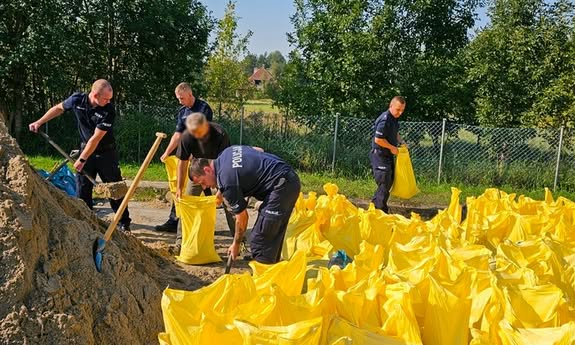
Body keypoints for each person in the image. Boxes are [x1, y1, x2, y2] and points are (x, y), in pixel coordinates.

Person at [29, 79, 131, 231]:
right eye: (106, 98)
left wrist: (82, 159)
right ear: (95, 95)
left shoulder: (108, 110)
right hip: (85, 150)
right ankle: (86, 220)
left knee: (113, 187)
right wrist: (39, 122)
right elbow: (58, 108)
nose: (109, 101)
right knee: (82, 188)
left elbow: (96, 138)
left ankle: (123, 222)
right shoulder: (77, 100)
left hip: (106, 154)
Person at [190, 146, 301, 264]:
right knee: (271, 233)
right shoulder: (226, 153)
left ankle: (262, 276)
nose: (204, 187)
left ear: (207, 170)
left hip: (282, 187)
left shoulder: (228, 182)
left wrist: (236, 244)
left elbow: (242, 217)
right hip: (286, 177)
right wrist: (221, 191)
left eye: (202, 182)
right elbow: (258, 150)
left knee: (261, 240)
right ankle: (267, 264)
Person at [165, 112, 236, 253]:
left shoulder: (220, 134)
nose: (197, 136)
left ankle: (239, 242)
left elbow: (226, 161)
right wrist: (179, 188)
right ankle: (181, 242)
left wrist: (220, 191)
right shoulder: (186, 137)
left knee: (230, 204)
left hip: (219, 170)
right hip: (197, 170)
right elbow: (182, 163)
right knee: (187, 201)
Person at [155, 82, 214, 232]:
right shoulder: (182, 112)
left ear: (190, 94)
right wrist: (167, 152)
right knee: (180, 188)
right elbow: (178, 134)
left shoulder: (204, 109)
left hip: (203, 156)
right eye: (178, 98)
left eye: (182, 98)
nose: (180, 101)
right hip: (188, 154)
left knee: (205, 188)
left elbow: (203, 133)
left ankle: (207, 221)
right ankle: (174, 221)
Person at [370, 96, 406, 214]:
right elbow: (378, 139)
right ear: (390, 106)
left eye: (402, 110)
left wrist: (401, 142)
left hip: (387, 156)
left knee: (388, 182)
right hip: (380, 156)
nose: (400, 113)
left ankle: (376, 208)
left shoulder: (394, 118)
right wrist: (392, 148)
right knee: (384, 183)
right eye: (398, 109)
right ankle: (379, 211)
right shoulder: (385, 119)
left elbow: (394, 133)